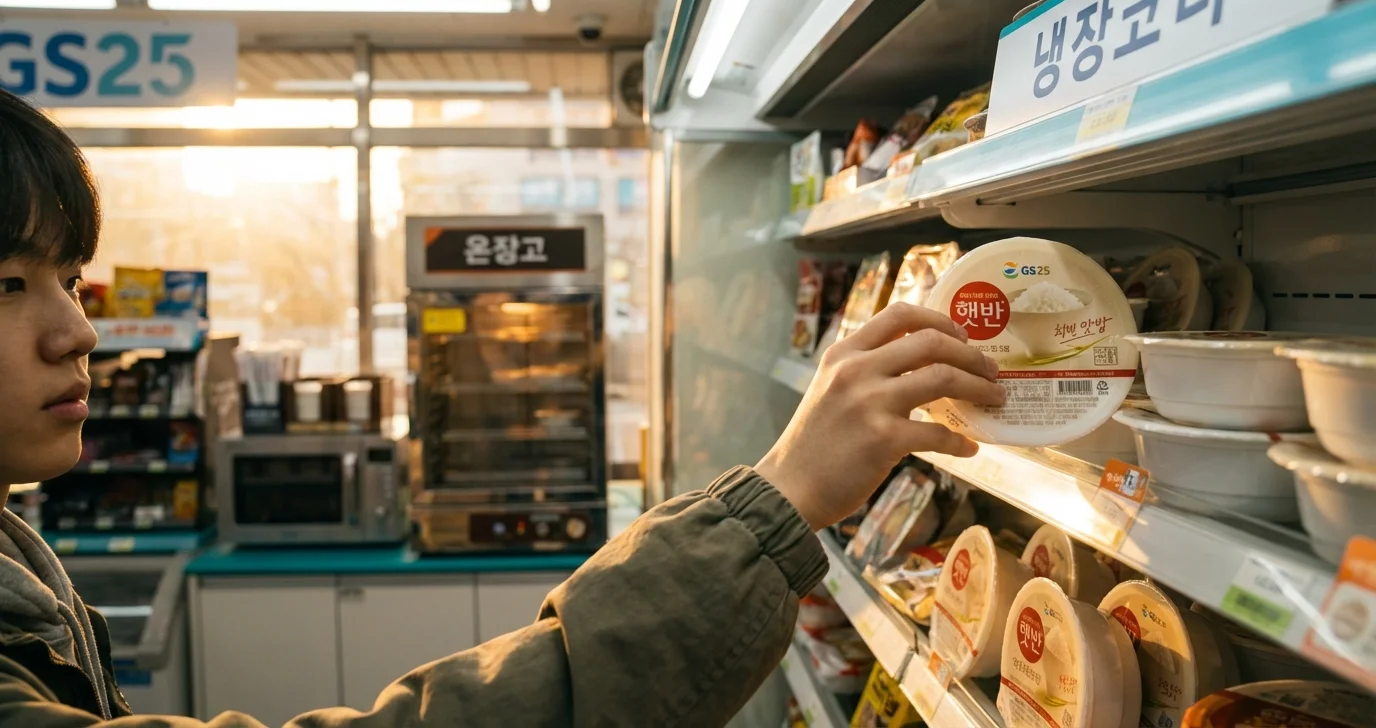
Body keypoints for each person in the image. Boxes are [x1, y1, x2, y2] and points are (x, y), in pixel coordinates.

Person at [0, 88, 1005, 727]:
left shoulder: (21, 559)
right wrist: (778, 495)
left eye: (72, 278)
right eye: (10, 284)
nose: (77, 330)